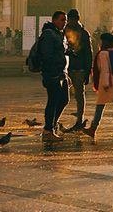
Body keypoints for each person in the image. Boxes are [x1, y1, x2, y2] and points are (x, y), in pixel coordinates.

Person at [82, 32, 113, 140]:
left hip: (109, 83)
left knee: (100, 106)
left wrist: (104, 84)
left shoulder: (103, 54)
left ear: (104, 42)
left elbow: (104, 70)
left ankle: (93, 128)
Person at [37, 11, 70, 142]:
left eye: (65, 20)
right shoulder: (49, 34)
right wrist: (54, 70)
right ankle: (48, 130)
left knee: (64, 99)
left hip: (61, 73)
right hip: (53, 74)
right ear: (54, 20)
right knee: (53, 101)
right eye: (62, 20)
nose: (64, 22)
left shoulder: (58, 34)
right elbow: (47, 55)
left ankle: (51, 125)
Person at [62, 8, 93, 133]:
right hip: (66, 67)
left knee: (79, 94)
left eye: (72, 19)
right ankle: (56, 120)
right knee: (63, 95)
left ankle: (80, 119)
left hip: (79, 68)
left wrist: (87, 70)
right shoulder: (64, 31)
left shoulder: (84, 33)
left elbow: (88, 53)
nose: (71, 21)